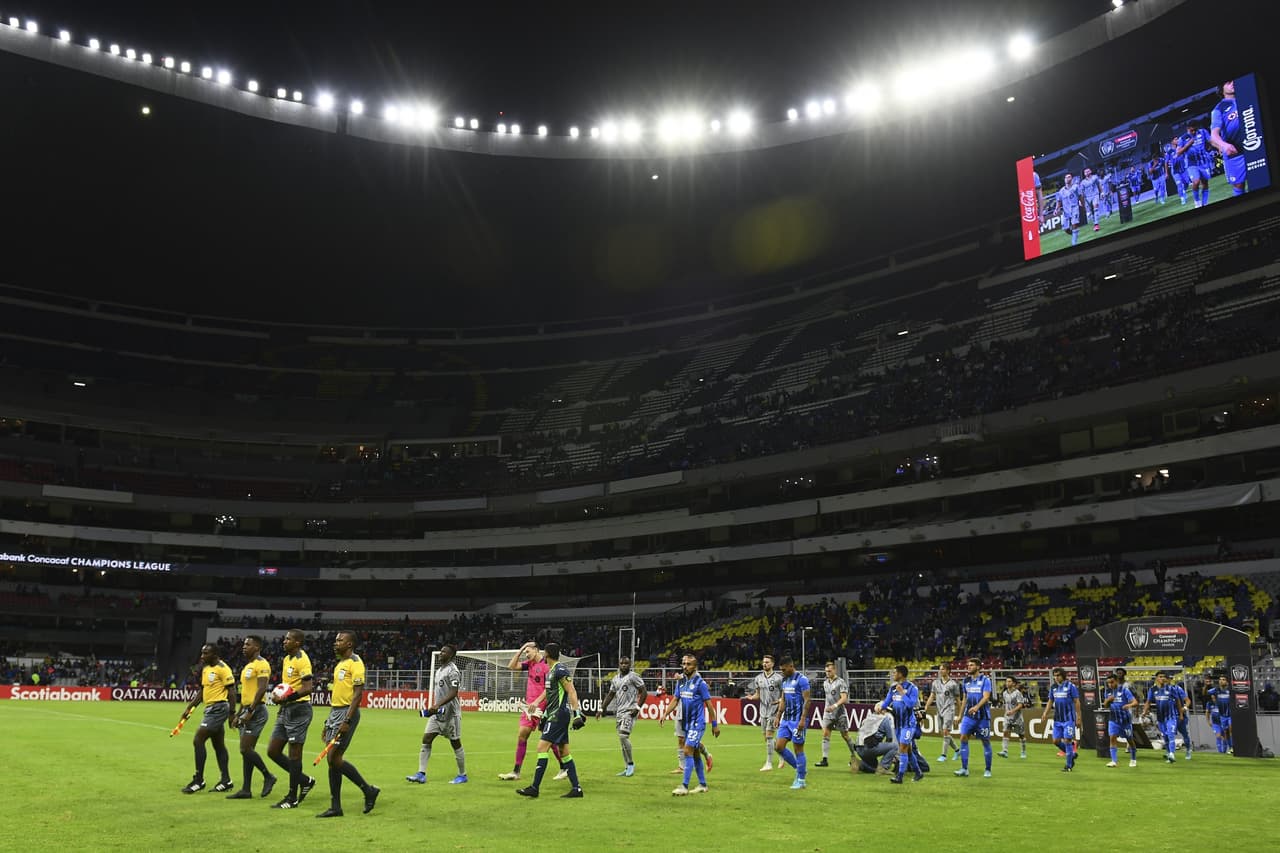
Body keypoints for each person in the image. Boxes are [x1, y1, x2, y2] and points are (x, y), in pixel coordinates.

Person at [316, 631, 379, 818]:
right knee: (332, 760)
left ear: (350, 644)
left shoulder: (356, 663)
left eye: (340, 640)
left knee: (334, 757)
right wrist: (328, 722)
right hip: (335, 712)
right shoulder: (340, 664)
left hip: (346, 713)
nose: (336, 643)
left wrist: (347, 720)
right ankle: (336, 806)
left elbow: (358, 694)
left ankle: (367, 790)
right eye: (336, 640)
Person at [516, 642, 585, 798]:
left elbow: (571, 690)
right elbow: (548, 692)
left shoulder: (560, 670)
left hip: (558, 714)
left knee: (541, 748)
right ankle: (577, 789)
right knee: (564, 752)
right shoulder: (552, 671)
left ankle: (535, 788)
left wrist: (577, 714)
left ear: (546, 654)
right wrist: (535, 703)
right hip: (553, 713)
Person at [498, 642, 564, 781]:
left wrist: (537, 703)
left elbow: (549, 688)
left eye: (528, 652)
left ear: (537, 650)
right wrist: (521, 649)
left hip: (543, 706)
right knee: (522, 734)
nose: (526, 655)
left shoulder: (547, 666)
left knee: (548, 739)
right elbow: (512, 666)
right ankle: (516, 771)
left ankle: (564, 767)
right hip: (530, 706)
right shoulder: (530, 664)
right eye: (525, 652)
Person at [267, 628, 317, 809]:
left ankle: (292, 797)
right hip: (286, 709)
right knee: (273, 751)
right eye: (285, 638)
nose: (284, 641)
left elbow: (308, 687)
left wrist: (285, 698)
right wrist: (277, 694)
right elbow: (287, 686)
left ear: (297, 642)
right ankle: (305, 780)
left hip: (299, 710)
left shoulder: (302, 660)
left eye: (288, 639)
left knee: (294, 754)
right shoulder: (287, 659)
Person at [406, 644, 467, 784]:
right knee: (426, 739)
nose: (441, 653)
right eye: (441, 651)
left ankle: (462, 775)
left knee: (455, 743)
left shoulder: (453, 671)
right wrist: (436, 707)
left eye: (444, 652)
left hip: (451, 714)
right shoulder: (440, 670)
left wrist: (438, 704)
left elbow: (454, 692)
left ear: (451, 655)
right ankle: (421, 774)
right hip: (438, 713)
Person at [179, 644, 236, 794]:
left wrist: (232, 713)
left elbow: (232, 691)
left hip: (219, 708)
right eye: (202, 653)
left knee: (198, 739)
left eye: (206, 653)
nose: (202, 656)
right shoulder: (206, 669)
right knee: (218, 745)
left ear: (215, 654)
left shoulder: (223, 669)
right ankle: (226, 780)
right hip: (210, 709)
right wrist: (190, 708)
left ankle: (199, 780)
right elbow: (203, 691)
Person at [226, 635, 277, 799]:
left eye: (248, 644)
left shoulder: (262, 664)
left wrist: (250, 711)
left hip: (257, 711)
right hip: (247, 709)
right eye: (244, 644)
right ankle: (246, 790)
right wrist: (239, 713)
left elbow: (262, 689)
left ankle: (268, 776)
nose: (244, 647)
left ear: (257, 647)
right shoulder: (248, 666)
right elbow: (247, 694)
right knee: (246, 751)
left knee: (245, 749)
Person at [660, 654, 720, 796]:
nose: (685, 666)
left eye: (688, 664)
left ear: (695, 666)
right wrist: (665, 714)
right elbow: (675, 699)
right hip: (687, 724)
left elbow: (710, 705)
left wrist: (715, 724)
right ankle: (702, 785)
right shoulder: (681, 682)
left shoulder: (700, 683)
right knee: (696, 754)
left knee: (687, 751)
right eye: (684, 663)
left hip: (697, 723)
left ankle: (684, 786)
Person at [597, 655, 647, 776]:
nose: (624, 665)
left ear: (630, 665)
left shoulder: (633, 677)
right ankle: (626, 767)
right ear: (619, 665)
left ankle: (630, 764)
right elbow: (610, 694)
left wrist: (637, 707)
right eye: (622, 663)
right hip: (619, 712)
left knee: (623, 736)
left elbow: (643, 691)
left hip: (630, 711)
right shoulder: (615, 679)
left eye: (626, 663)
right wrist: (601, 708)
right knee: (621, 740)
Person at [875, 665, 923, 784]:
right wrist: (881, 707)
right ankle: (918, 773)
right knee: (908, 750)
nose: (893, 674)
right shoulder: (893, 688)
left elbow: (911, 704)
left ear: (901, 674)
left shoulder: (912, 688)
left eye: (895, 672)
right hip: (898, 724)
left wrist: (902, 693)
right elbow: (887, 701)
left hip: (908, 724)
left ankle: (899, 777)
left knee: (902, 748)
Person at [772, 655, 812, 790]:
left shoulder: (802, 680)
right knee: (778, 747)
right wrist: (778, 715)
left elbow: (807, 700)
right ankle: (800, 768)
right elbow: (783, 699)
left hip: (797, 720)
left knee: (798, 748)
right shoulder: (784, 680)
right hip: (786, 719)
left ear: (791, 666)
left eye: (784, 669)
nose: (782, 672)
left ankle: (801, 780)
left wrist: (802, 719)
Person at [1210, 80, 1250, 196]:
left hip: (1254, 145)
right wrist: (1224, 145)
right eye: (1228, 82)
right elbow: (1214, 135)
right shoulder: (1219, 108)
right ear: (1221, 90)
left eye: (1233, 81)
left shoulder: (1248, 97)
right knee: (1239, 185)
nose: (1232, 83)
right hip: (1235, 153)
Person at [745, 653, 784, 771]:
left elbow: (784, 693)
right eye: (763, 662)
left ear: (772, 664)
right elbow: (758, 694)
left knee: (769, 736)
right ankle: (782, 755)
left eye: (767, 662)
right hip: (762, 711)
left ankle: (769, 763)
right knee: (767, 738)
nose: (764, 664)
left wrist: (780, 700)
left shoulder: (778, 678)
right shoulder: (758, 678)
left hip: (773, 710)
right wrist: (752, 697)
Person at [955, 658, 993, 778]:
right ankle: (964, 769)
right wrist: (960, 715)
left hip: (982, 717)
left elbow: (986, 697)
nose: (969, 667)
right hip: (968, 716)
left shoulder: (985, 680)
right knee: (963, 738)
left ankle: (988, 769)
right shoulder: (966, 681)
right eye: (968, 665)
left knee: (985, 741)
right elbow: (965, 699)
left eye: (971, 665)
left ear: (978, 667)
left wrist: (977, 707)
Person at [1039, 667, 1082, 772]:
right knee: (1056, 741)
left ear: (1063, 675)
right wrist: (1045, 713)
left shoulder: (1071, 686)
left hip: (1069, 719)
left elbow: (1076, 701)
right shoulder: (1053, 687)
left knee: (1067, 740)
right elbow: (1050, 701)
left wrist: (1079, 717)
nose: (1056, 677)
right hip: (1058, 719)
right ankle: (1072, 754)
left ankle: (1068, 766)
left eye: (1058, 675)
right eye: (1055, 675)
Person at [817, 660, 856, 767]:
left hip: (839, 713)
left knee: (845, 736)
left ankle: (854, 755)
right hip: (828, 713)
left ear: (834, 670)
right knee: (825, 734)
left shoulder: (841, 682)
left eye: (829, 671)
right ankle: (824, 759)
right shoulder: (825, 683)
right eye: (826, 671)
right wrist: (828, 708)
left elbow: (844, 698)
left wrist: (834, 706)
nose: (827, 673)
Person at [1140, 671, 1183, 764]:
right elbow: (1148, 702)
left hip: (1171, 716)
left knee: (1171, 734)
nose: (1162, 678)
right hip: (1160, 718)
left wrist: (1181, 714)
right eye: (1160, 677)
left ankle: (1172, 754)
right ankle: (1168, 753)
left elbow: (1178, 701)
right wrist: (1144, 711)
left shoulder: (1171, 689)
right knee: (1165, 736)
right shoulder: (1153, 690)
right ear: (1156, 679)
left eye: (1164, 677)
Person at [923, 663, 960, 762]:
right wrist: (926, 706)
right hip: (939, 710)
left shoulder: (953, 684)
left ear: (948, 671)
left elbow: (958, 700)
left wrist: (959, 714)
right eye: (940, 669)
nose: (941, 671)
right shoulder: (935, 683)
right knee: (944, 733)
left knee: (945, 731)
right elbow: (932, 695)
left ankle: (943, 755)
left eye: (943, 669)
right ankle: (957, 750)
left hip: (949, 710)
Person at [1102, 674, 1139, 767]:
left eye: (1112, 682)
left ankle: (1133, 759)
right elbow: (1105, 705)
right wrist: (1108, 700)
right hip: (1113, 719)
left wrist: (1128, 705)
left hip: (1125, 720)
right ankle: (1114, 761)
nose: (1110, 685)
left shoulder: (1124, 690)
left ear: (1116, 681)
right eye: (1108, 683)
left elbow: (1135, 702)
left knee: (1130, 740)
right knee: (1112, 738)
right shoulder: (1107, 691)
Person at [1177, 121, 1214, 208]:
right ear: (1188, 129)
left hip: (1203, 162)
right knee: (1196, 182)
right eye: (1191, 130)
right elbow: (1178, 152)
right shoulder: (1182, 138)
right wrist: (1188, 144)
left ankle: (1205, 203)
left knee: (1205, 183)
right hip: (1191, 164)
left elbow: (1211, 141)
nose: (1193, 132)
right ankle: (1197, 202)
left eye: (1195, 130)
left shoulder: (1203, 132)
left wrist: (1218, 147)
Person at [998, 676, 1028, 759]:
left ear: (1014, 683)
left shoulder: (1017, 693)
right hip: (1007, 717)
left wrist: (1012, 711)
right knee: (1005, 732)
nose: (1007, 683)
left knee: (1021, 735)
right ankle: (1005, 751)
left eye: (1009, 681)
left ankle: (1023, 751)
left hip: (1017, 717)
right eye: (1006, 681)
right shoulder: (1004, 693)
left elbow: (1020, 705)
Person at [1206, 674, 1233, 754]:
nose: (1221, 681)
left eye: (1223, 679)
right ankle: (1230, 747)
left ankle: (1233, 747)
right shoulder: (1216, 690)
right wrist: (1207, 686)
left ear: (1227, 682)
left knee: (1231, 729)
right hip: (1222, 716)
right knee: (1226, 732)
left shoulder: (1230, 690)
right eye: (1220, 679)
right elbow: (1206, 692)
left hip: (1230, 714)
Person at [1170, 675, 1194, 759]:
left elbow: (1187, 701)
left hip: (1179, 716)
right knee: (1169, 734)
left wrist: (1185, 708)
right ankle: (1170, 753)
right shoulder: (1161, 690)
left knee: (1184, 734)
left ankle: (1188, 750)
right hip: (1169, 717)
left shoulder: (1177, 689)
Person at [1056, 173, 1082, 247]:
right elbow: (1059, 201)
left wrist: (1082, 203)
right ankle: (1075, 233)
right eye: (1066, 177)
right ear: (1064, 180)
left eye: (1069, 177)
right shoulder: (1061, 191)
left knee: (1074, 224)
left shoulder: (1075, 187)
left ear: (1072, 178)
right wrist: (1056, 209)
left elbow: (1080, 196)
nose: (1067, 178)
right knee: (1066, 229)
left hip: (1074, 208)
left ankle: (1074, 242)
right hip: (1066, 211)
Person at [1164, 139, 1189, 205]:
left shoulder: (1181, 147)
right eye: (1175, 139)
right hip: (1175, 171)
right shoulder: (1169, 152)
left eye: (1177, 139)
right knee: (1179, 185)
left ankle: (1184, 190)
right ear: (1172, 142)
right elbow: (1166, 163)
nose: (1177, 140)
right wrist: (1166, 173)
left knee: (1187, 183)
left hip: (1183, 169)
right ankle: (1182, 199)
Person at [1079, 167, 1103, 231]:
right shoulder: (1082, 182)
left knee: (1095, 207)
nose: (1087, 172)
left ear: (1091, 171)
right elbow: (1082, 192)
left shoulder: (1095, 177)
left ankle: (1096, 224)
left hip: (1095, 195)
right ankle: (1095, 222)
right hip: (1087, 198)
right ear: (1084, 174)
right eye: (1085, 172)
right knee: (1091, 212)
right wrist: (1081, 201)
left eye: (1088, 171)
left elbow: (1099, 185)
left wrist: (1102, 192)